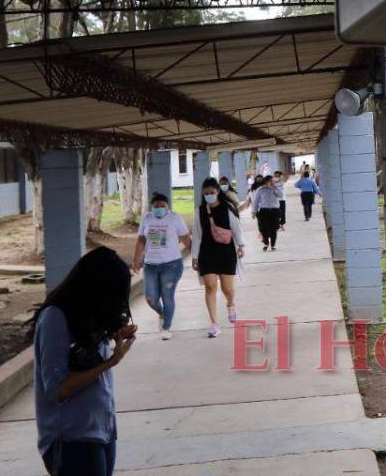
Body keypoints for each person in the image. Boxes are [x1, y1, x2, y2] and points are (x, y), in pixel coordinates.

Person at [30, 247, 136, 476]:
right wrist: (109, 363)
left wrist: (111, 335)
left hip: (101, 430)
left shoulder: (87, 315)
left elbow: (82, 355)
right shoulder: (55, 319)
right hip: (71, 440)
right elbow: (57, 390)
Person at [191, 177, 245, 338]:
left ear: (218, 192)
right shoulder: (200, 211)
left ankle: (230, 303)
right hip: (207, 253)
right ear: (202, 194)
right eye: (206, 193)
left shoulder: (227, 208)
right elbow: (197, 235)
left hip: (226, 252)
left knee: (227, 288)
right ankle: (214, 323)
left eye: (212, 192)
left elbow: (236, 228)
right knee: (210, 286)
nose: (209, 195)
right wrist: (195, 256)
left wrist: (241, 246)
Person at [132, 192, 190, 341]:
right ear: (152, 207)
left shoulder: (175, 218)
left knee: (167, 296)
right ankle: (162, 313)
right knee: (151, 298)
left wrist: (196, 258)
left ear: (167, 207)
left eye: (162, 206)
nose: (159, 209)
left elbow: (186, 239)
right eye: (156, 206)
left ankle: (166, 327)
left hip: (172, 265)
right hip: (150, 265)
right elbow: (141, 240)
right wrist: (136, 260)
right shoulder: (147, 218)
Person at [252, 174, 282, 251]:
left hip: (274, 211)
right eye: (270, 181)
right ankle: (266, 243)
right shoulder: (260, 189)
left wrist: (275, 187)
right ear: (265, 181)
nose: (272, 182)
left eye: (272, 181)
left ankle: (273, 245)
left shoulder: (275, 188)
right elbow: (256, 201)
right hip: (263, 211)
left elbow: (281, 195)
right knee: (263, 228)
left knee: (274, 229)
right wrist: (254, 212)